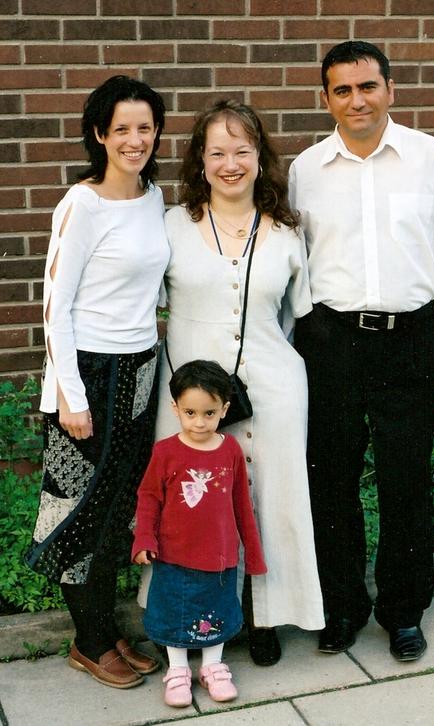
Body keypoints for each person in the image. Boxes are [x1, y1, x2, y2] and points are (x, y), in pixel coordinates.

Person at [289, 41, 434, 662]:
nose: (357, 100)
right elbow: (297, 266)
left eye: (367, 86)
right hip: (333, 342)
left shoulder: (430, 158)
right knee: (331, 482)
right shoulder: (306, 170)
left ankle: (403, 611)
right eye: (342, 90)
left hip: (410, 342)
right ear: (326, 99)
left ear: (390, 90)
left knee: (407, 482)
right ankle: (342, 606)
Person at [139, 99, 325, 667]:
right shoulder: (172, 226)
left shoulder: (286, 231)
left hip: (272, 387)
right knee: (189, 506)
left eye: (242, 150)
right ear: (200, 159)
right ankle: (179, 618)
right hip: (188, 395)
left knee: (272, 499)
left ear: (259, 156)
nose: (230, 164)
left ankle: (266, 616)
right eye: (217, 152)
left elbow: (294, 314)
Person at [26, 75, 170, 688]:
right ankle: (88, 643)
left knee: (115, 511)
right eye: (121, 129)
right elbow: (54, 306)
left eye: (145, 127)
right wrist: (70, 398)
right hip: (87, 373)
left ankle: (106, 632)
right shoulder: (81, 204)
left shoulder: (154, 197)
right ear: (99, 135)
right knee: (79, 512)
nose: (135, 140)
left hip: (140, 371)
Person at [132, 359, 266, 707]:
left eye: (209, 413)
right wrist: (144, 539)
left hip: (219, 555)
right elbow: (148, 497)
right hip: (173, 553)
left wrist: (253, 554)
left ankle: (213, 667)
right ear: (175, 408)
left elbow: (242, 505)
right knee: (174, 611)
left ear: (225, 409)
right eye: (190, 413)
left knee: (215, 609)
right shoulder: (166, 451)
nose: (199, 422)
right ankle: (178, 671)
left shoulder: (230, 450)